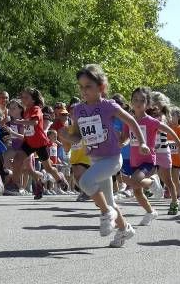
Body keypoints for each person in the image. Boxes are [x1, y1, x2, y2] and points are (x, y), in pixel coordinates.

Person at [59, 64, 151, 247]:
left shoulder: (108, 106)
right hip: (95, 159)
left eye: (88, 86)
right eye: (81, 86)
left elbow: (132, 121)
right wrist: (67, 136)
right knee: (108, 200)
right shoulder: (78, 110)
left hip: (111, 159)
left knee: (84, 182)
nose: (84, 91)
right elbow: (78, 136)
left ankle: (106, 213)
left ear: (101, 87)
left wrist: (142, 142)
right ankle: (125, 229)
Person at [120, 87, 180, 226]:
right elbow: (124, 138)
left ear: (148, 104)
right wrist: (117, 144)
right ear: (131, 102)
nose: (138, 102)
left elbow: (169, 130)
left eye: (142, 100)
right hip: (134, 160)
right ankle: (150, 212)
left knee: (137, 181)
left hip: (148, 159)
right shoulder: (129, 120)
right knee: (136, 191)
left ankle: (155, 183)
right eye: (135, 99)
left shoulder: (150, 121)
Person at [15, 88, 69, 199]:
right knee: (18, 161)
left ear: (33, 99)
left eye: (26, 97)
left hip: (40, 142)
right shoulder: (26, 111)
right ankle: (33, 182)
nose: (23, 99)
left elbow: (34, 122)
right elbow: (28, 128)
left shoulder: (36, 109)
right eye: (22, 97)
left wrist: (22, 122)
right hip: (28, 142)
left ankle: (59, 179)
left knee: (48, 168)